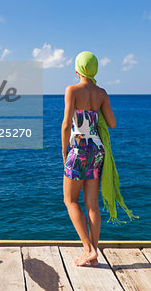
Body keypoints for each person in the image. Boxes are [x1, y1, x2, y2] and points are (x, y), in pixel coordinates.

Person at [62, 51, 116, 267]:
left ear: (78, 70)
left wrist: (65, 151)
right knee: (92, 204)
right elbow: (112, 123)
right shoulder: (102, 92)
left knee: (70, 200)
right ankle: (93, 256)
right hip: (97, 149)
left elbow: (67, 124)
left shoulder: (72, 90)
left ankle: (88, 249)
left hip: (79, 148)